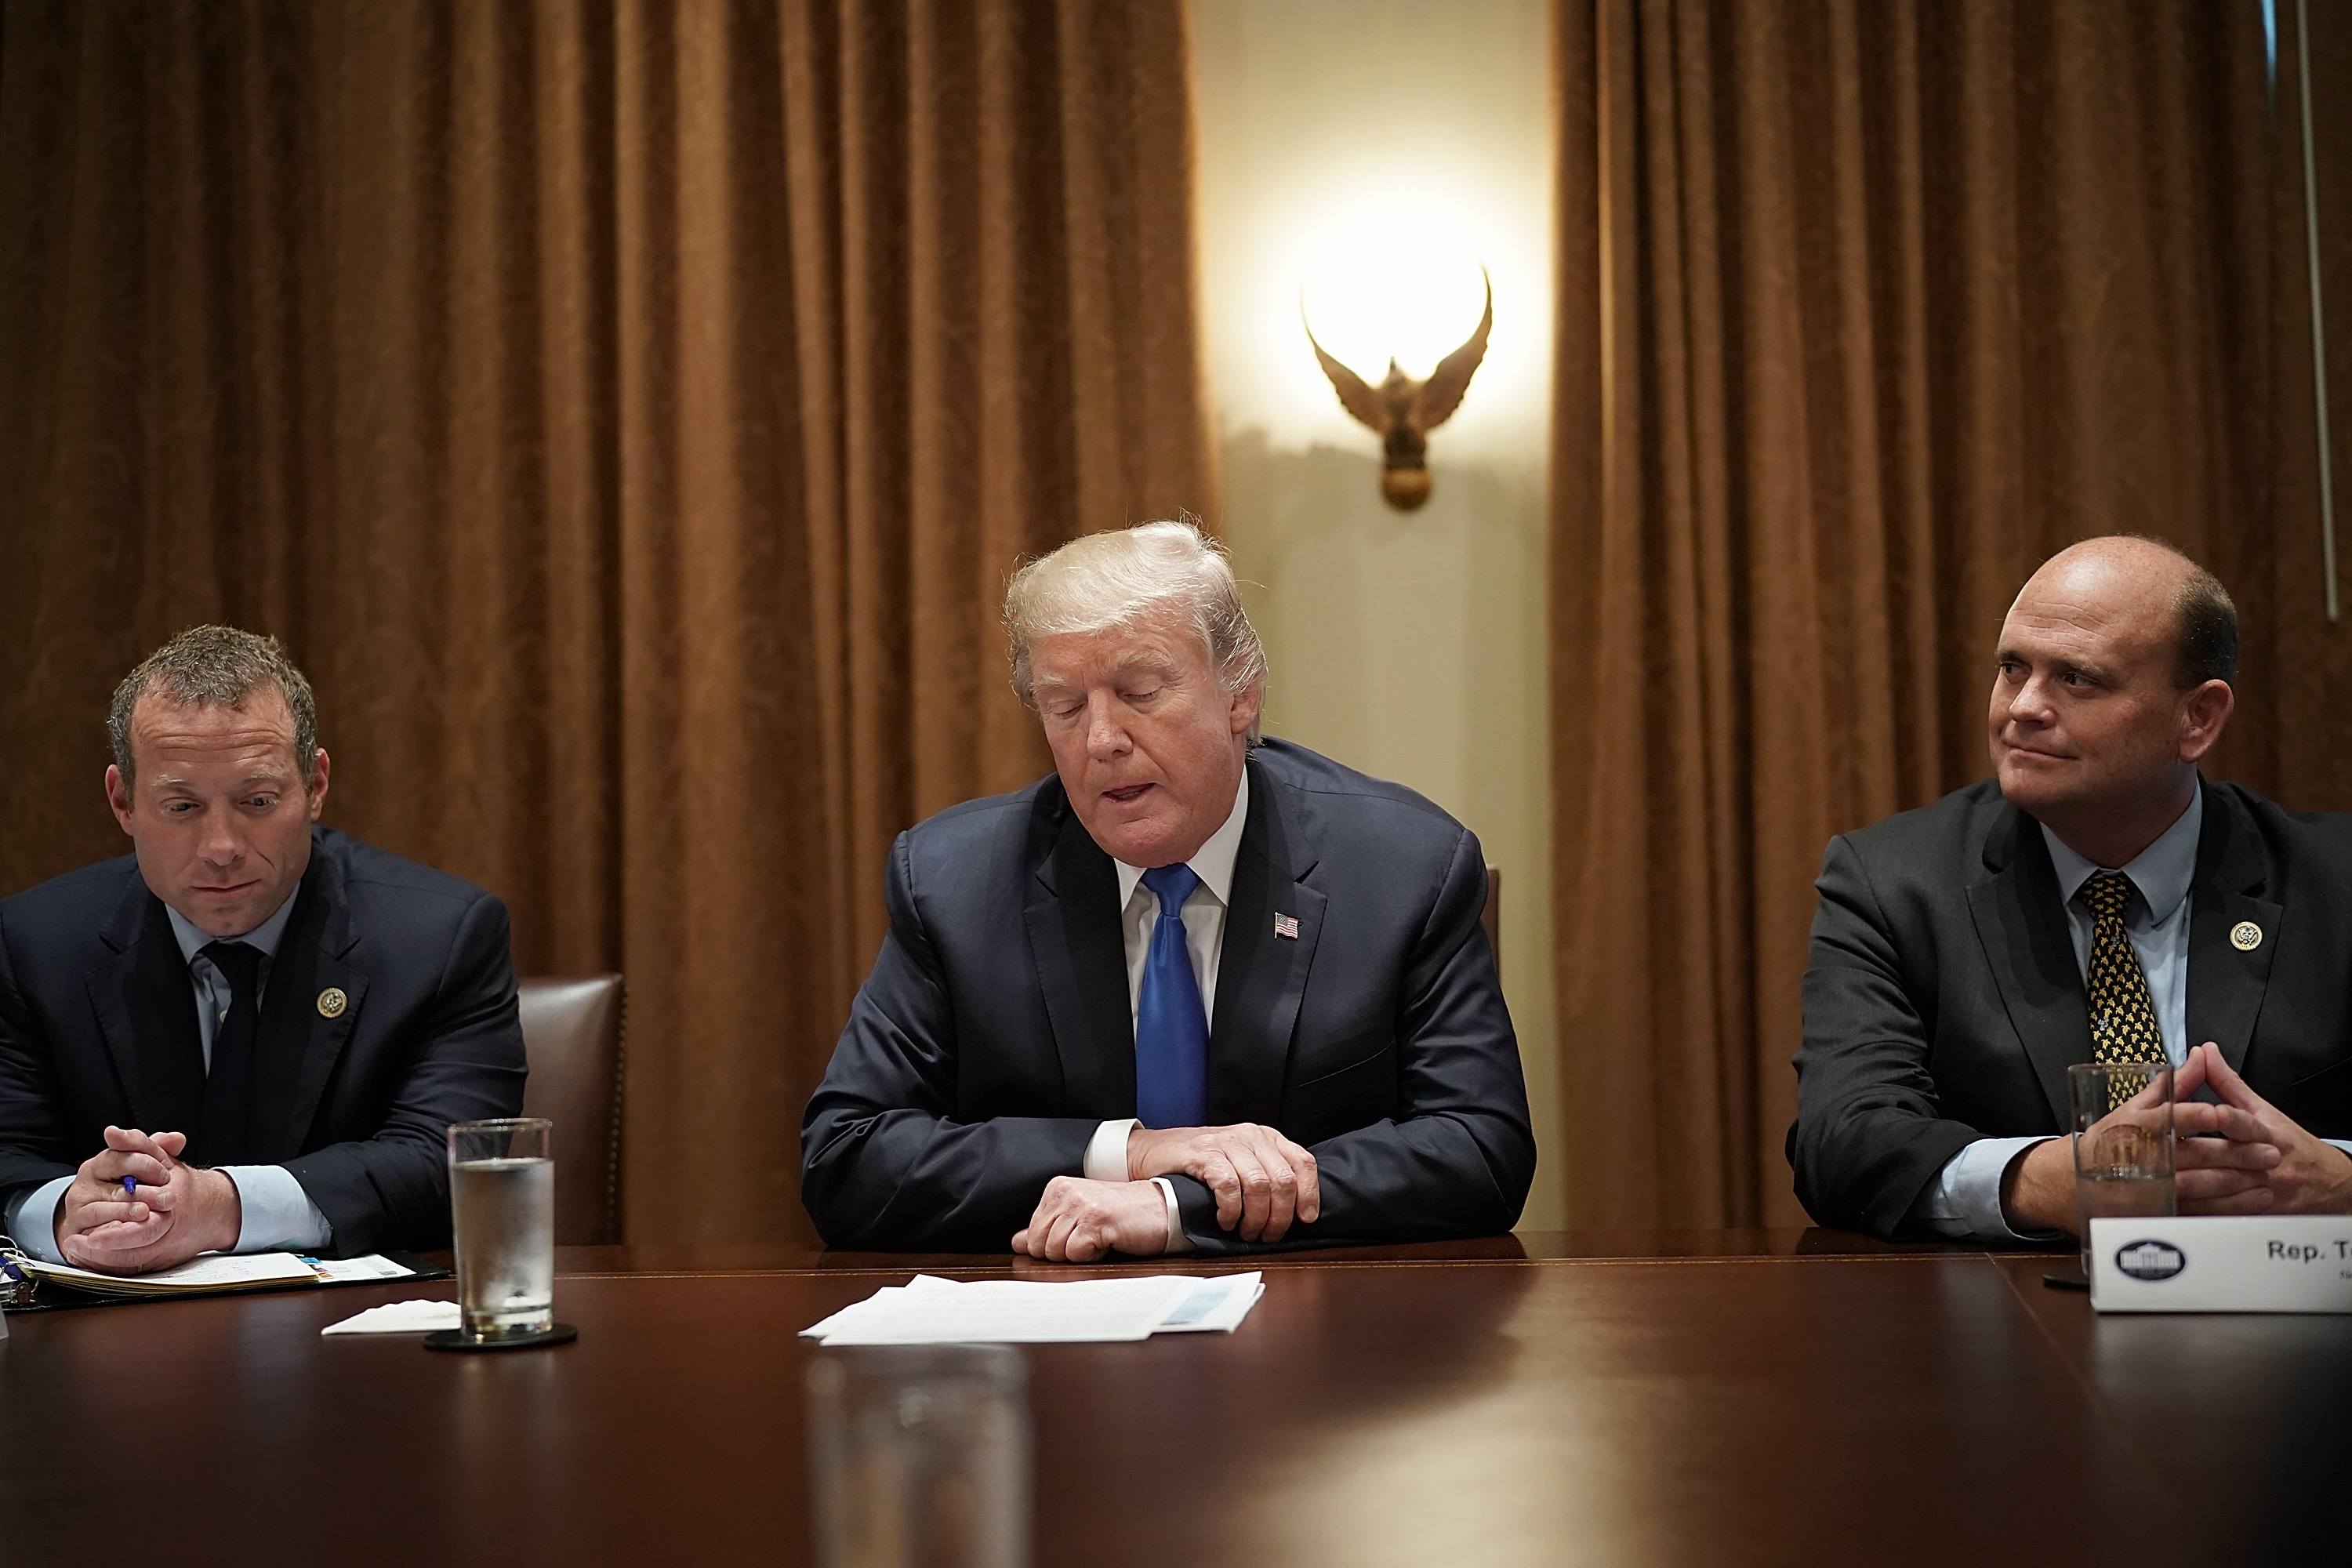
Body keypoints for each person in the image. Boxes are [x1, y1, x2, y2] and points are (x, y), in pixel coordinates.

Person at [800, 521, 1535, 1258]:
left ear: (1239, 692)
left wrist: (1176, 1206)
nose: (1101, 741)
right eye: (1064, 707)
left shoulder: (1403, 869)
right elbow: (848, 1158)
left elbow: (1479, 1148)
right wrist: (1130, 1154)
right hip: (1053, 1343)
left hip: (1325, 1334)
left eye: (1141, 692)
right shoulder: (952, 882)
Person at [1791, 536, 2352, 1240]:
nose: (2024, 707)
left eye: (2077, 679)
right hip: (2006, 1327)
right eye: (2011, 669)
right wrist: (2049, 1180)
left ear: (2198, 719)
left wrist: (2339, 1180)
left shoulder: (2336, 882)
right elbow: (1842, 1142)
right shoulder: (1892, 885)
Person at [0, 626, 528, 1272]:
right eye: (182, 805)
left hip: (357, 1345)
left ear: (315, 785)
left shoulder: (440, 938)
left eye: (257, 801)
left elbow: (453, 1163)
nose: (221, 845)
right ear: (122, 802)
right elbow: (8, 1158)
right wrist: (65, 1212)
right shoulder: (33, 944)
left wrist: (220, 1206)